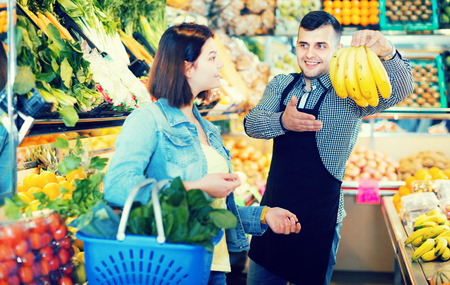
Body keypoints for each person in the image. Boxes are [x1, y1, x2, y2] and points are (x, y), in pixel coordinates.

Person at [102, 23, 301, 285]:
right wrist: (196, 186)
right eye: (212, 57)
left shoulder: (208, 128)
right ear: (187, 66)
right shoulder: (148, 120)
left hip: (211, 264)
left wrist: (264, 215)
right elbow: (116, 186)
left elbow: (210, 209)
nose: (220, 65)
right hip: (168, 265)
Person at [244, 11, 414, 285]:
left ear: (336, 49)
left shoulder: (349, 91)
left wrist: (389, 51)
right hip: (271, 217)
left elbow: (403, 88)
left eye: (320, 45)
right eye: (304, 44)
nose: (310, 54)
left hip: (319, 223)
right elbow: (252, 123)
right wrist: (283, 120)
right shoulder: (281, 85)